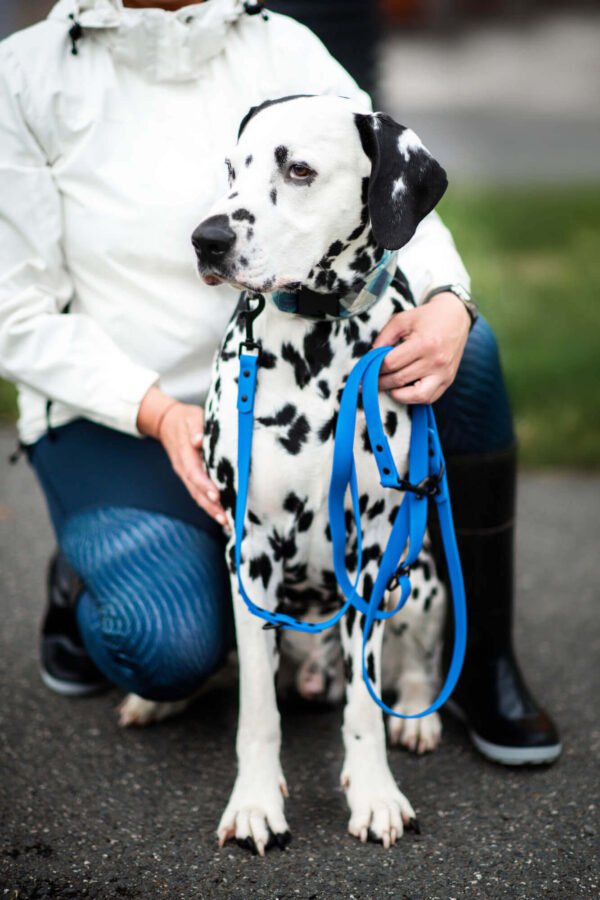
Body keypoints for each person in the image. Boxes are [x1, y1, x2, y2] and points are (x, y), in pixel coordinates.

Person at [0, 0, 560, 764]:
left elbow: (388, 192)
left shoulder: (278, 43)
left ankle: (482, 654)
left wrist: (449, 303)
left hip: (287, 370)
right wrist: (158, 412)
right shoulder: (25, 75)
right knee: (165, 646)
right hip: (125, 411)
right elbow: (14, 312)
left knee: (468, 353)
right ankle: (85, 579)